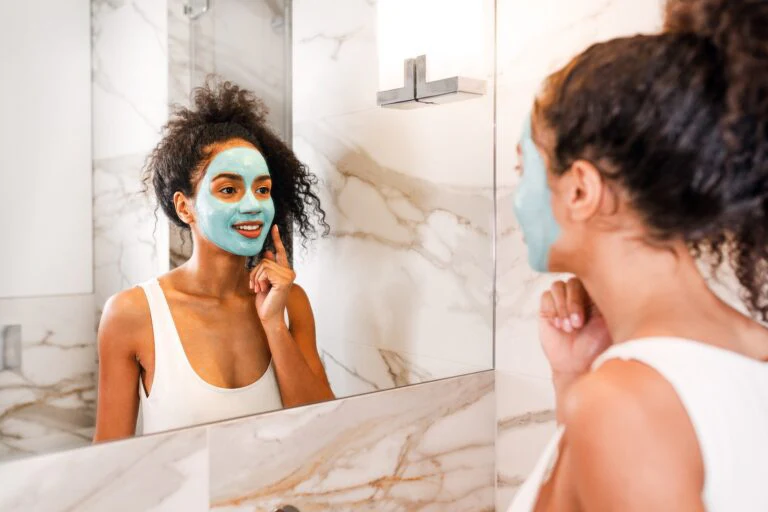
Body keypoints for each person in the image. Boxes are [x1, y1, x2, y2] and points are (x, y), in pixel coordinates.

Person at [508, 0, 768, 510]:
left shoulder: (626, 401)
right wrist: (573, 379)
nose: (515, 201)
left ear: (581, 189)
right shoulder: (749, 352)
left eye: (524, 171)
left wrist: (599, 393)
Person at [94, 80, 334, 441]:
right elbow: (106, 458)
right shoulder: (132, 314)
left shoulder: (289, 304)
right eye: (228, 189)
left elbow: (324, 429)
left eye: (262, 189)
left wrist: (273, 326)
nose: (252, 204)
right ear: (184, 206)